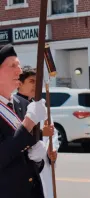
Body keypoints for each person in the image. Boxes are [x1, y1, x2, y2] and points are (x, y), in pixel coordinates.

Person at [0, 43, 48, 198]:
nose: (19, 71)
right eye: (12, 65)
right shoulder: (29, 112)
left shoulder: (23, 105)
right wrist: (28, 124)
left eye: (19, 65)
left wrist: (38, 160)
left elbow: (28, 162)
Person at [17, 65, 60, 198]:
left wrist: (52, 151)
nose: (36, 85)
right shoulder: (14, 105)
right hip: (24, 168)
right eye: (31, 81)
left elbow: (53, 134)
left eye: (37, 82)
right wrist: (41, 133)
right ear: (19, 83)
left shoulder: (41, 106)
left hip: (43, 165)